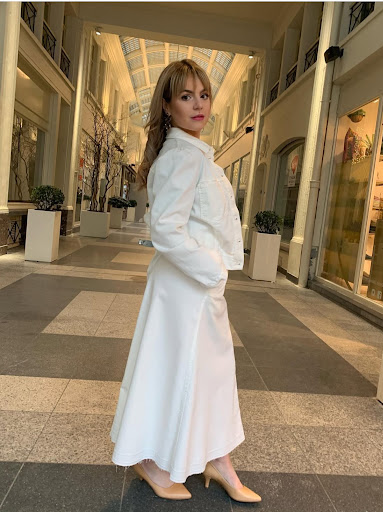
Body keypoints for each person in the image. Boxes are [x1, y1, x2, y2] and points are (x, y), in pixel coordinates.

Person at [110, 59, 261, 503]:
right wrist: (213, 268)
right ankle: (154, 462)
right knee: (174, 371)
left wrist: (211, 273)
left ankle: (217, 458)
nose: (199, 105)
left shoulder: (194, 153)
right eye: (186, 96)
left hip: (194, 288)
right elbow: (165, 229)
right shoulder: (181, 157)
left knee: (209, 374)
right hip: (187, 288)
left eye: (204, 95)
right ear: (167, 105)